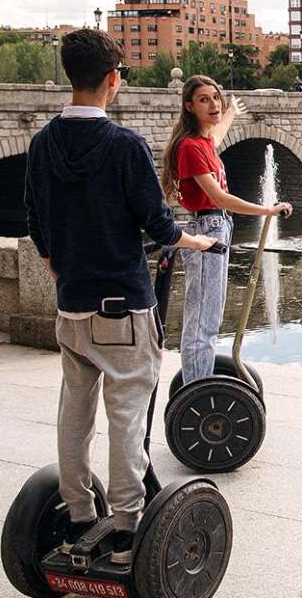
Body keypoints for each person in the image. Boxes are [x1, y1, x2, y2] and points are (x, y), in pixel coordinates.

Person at [23, 29, 219, 565]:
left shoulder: (42, 142)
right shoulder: (125, 145)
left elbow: (36, 221)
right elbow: (159, 226)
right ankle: (126, 529)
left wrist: (60, 265)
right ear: (113, 79)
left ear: (70, 74)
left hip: (72, 307)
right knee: (128, 413)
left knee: (75, 412)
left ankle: (79, 514)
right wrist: (199, 239)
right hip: (123, 309)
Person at [158, 76, 293, 385]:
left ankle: (199, 382)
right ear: (189, 107)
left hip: (217, 226)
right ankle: (197, 388)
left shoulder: (203, 143)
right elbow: (219, 198)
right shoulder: (190, 147)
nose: (213, 104)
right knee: (202, 320)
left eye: (216, 97)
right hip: (208, 228)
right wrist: (266, 210)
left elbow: (216, 134)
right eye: (204, 99)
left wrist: (231, 111)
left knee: (209, 317)